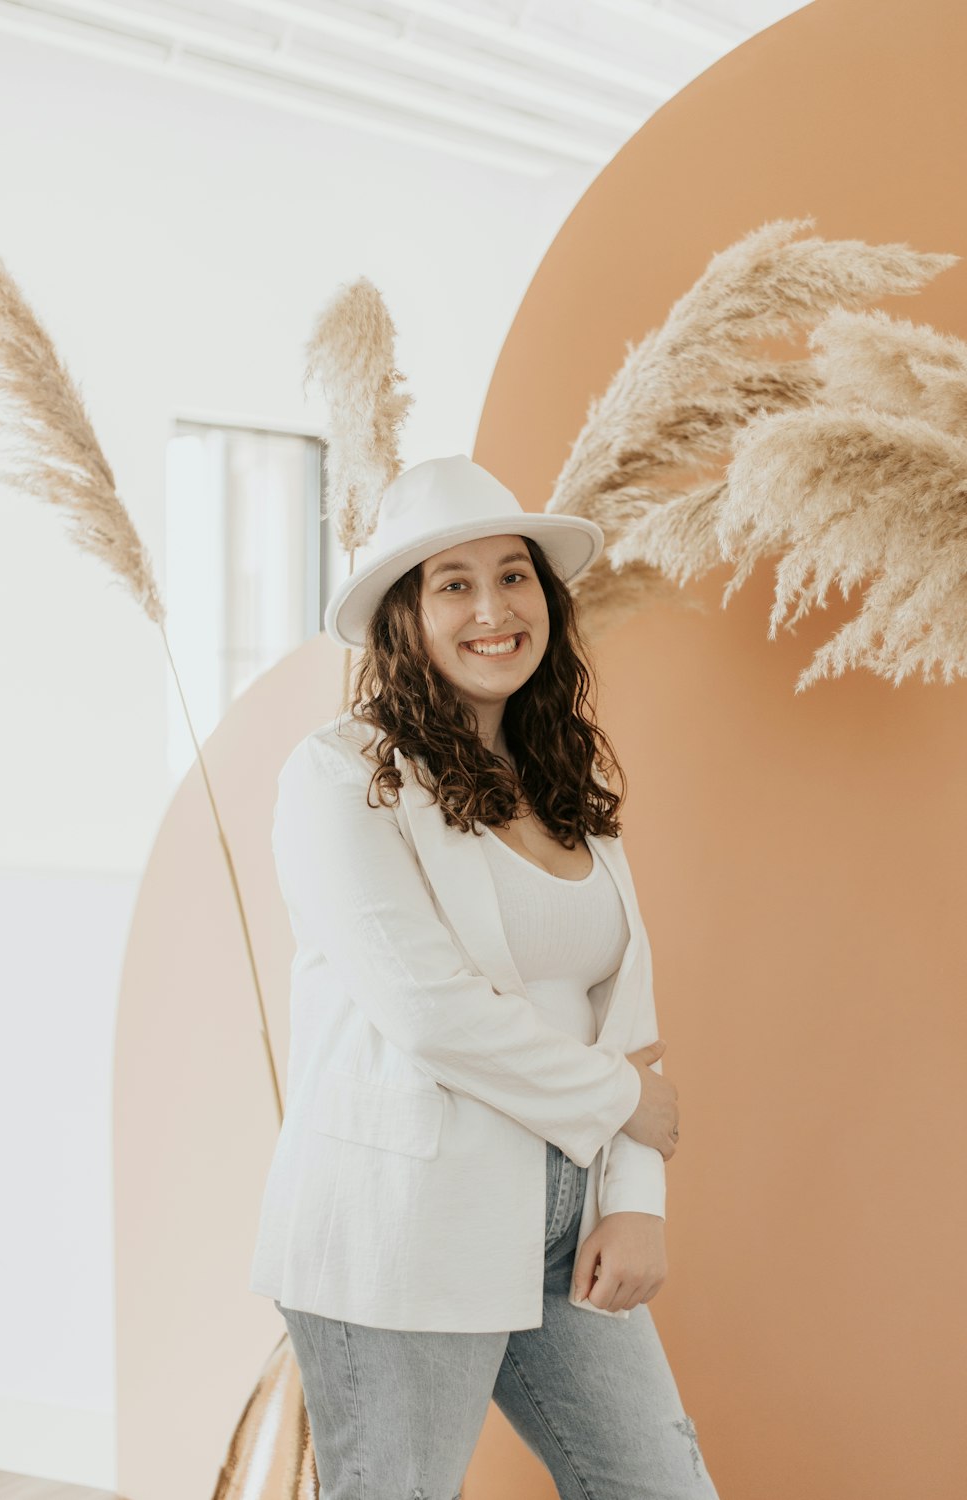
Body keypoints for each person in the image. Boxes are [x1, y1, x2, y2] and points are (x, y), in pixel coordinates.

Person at [249, 454, 720, 1498]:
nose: (492, 608)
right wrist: (623, 1103)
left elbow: (623, 1004)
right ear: (403, 619)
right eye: (452, 584)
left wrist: (635, 1200)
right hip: (400, 1219)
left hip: (563, 1212)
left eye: (512, 576)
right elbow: (431, 1015)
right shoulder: (339, 776)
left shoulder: (567, 774)